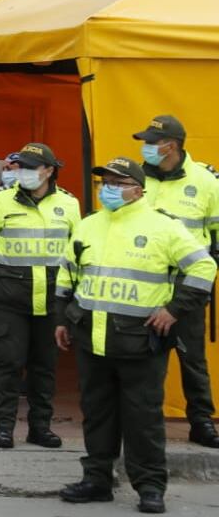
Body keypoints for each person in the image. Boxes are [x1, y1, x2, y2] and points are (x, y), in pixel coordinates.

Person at [55, 157, 216, 515]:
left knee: (142, 418)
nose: (107, 188)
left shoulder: (163, 227)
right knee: (97, 414)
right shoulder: (88, 225)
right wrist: (61, 319)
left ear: (137, 189)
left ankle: (150, 486)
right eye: (104, 182)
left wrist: (174, 310)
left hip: (140, 343)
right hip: (92, 339)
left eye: (117, 181)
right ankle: (97, 479)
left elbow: (204, 267)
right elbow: (67, 274)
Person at [0, 142, 79, 448]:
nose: (23, 173)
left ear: (48, 170)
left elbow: (75, 251)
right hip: (10, 296)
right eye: (20, 166)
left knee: (44, 366)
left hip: (51, 297)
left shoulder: (69, 205)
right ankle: (3, 427)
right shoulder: (1, 202)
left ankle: (40, 427)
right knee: (8, 363)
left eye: (31, 167)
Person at [132, 115, 219, 449]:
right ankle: (144, 423)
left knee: (192, 359)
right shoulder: (138, 178)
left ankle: (201, 422)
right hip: (144, 282)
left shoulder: (206, 181)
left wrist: (203, 282)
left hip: (186, 286)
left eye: (153, 142)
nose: (147, 148)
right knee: (144, 360)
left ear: (172, 145)